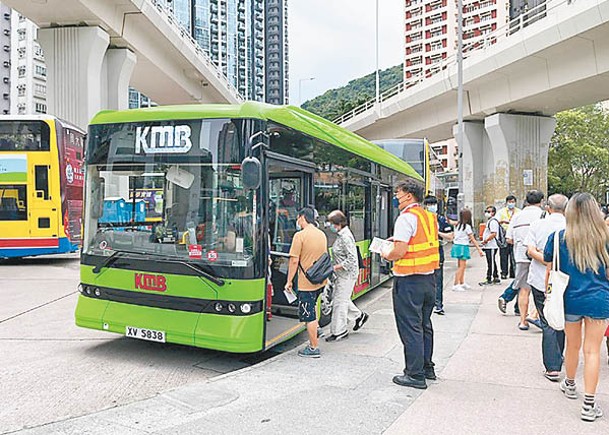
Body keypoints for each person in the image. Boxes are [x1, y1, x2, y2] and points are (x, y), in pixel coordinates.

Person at [543, 193, 609, 422]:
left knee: (572, 346)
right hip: (599, 300)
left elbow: (548, 263)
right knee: (592, 351)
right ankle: (589, 405)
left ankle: (570, 384)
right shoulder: (605, 238)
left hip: (569, 299)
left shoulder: (558, 237)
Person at [381, 180, 439, 389]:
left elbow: (399, 252)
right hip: (429, 280)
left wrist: (386, 252)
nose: (396, 196)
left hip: (408, 280)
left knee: (410, 327)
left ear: (408, 195)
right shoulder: (429, 217)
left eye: (398, 193)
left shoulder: (406, 218)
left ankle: (414, 375)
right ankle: (427, 368)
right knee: (424, 325)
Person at [525, 194, 568, 382]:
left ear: (548, 207)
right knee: (563, 318)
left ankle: (552, 366)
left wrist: (545, 260)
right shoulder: (572, 227)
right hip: (566, 281)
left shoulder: (537, 225)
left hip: (540, 279)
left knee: (547, 319)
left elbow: (529, 249)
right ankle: (559, 355)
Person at [285, 207, 329, 358]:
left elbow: (294, 261)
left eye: (298, 218)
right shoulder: (321, 234)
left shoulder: (300, 236)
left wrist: (289, 281)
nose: (297, 221)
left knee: (308, 313)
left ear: (302, 217)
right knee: (312, 308)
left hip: (306, 283)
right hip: (320, 280)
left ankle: (313, 347)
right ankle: (317, 329)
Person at [324, 210, 369, 342]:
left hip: (347, 275)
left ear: (338, 224)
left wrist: (335, 267)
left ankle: (340, 331)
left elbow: (352, 260)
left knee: (340, 302)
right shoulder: (341, 235)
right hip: (342, 274)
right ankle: (359, 316)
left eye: (331, 223)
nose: (329, 226)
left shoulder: (345, 237)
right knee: (340, 298)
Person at [507, 190, 544, 331]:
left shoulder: (517, 216)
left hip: (522, 256)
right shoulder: (544, 215)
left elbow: (509, 238)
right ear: (541, 201)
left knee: (524, 289)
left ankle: (523, 321)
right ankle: (537, 316)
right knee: (544, 289)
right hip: (541, 257)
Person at [423, 195, 453, 315]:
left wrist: (438, 232)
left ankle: (438, 304)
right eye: (429, 205)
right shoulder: (421, 219)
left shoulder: (441, 220)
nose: (432, 207)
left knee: (437, 280)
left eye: (433, 204)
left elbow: (450, 236)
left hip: (437, 254)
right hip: (423, 255)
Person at [451, 208, 484, 291]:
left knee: (461, 265)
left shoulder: (457, 225)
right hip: (463, 247)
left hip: (457, 246)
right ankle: (456, 284)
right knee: (461, 266)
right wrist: (479, 249)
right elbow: (473, 239)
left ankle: (461, 282)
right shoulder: (467, 227)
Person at [497, 195, 520, 279]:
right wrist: (503, 221)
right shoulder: (501, 212)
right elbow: (496, 221)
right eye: (509, 202)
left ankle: (513, 272)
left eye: (513, 202)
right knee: (503, 255)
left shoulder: (519, 212)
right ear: (506, 202)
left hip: (515, 236)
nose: (511, 204)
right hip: (504, 236)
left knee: (514, 255)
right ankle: (504, 272)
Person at [479, 206, 501, 285]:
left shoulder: (493, 222)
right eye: (486, 211)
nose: (487, 213)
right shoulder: (490, 221)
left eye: (489, 211)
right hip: (489, 245)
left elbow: (493, 233)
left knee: (490, 262)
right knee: (491, 261)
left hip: (491, 245)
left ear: (493, 212)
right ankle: (495, 276)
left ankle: (490, 278)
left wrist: (486, 240)